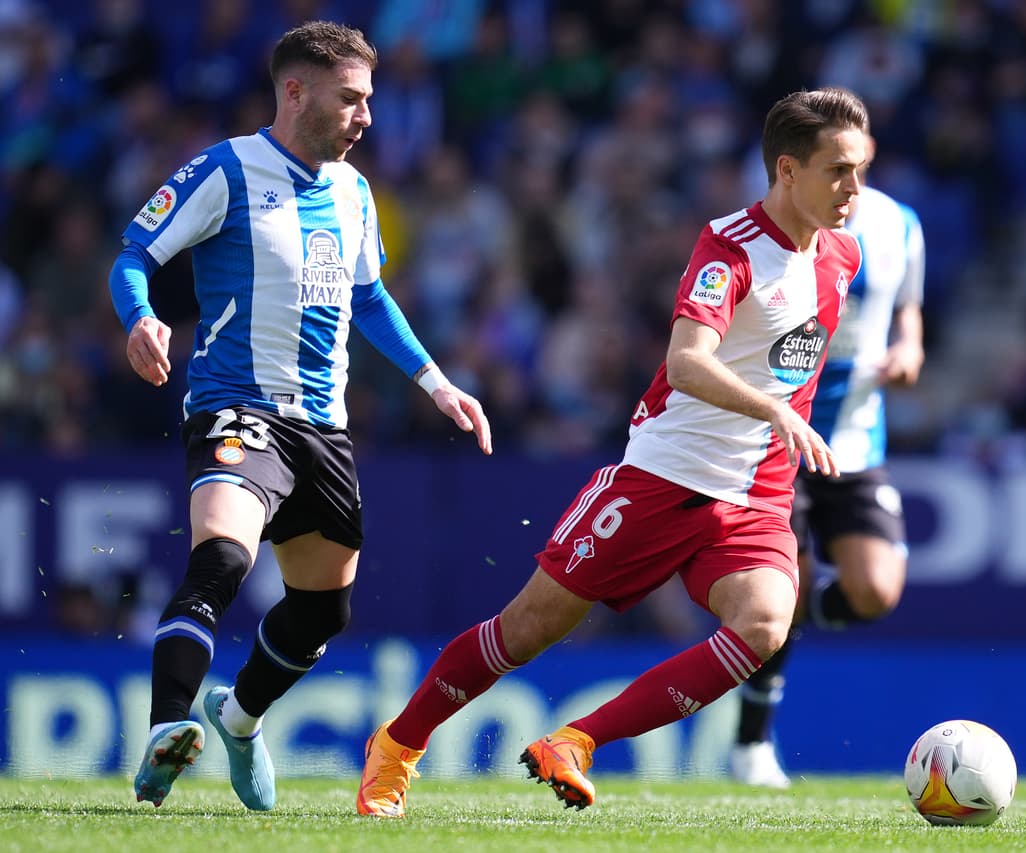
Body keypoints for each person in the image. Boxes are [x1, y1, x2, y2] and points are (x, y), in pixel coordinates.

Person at [356, 87, 870, 818]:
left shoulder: (842, 255)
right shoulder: (730, 247)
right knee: (527, 629)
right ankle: (398, 745)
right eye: (838, 170)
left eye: (860, 169)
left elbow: (792, 362)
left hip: (756, 493)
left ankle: (576, 741)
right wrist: (774, 411)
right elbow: (688, 361)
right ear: (788, 171)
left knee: (764, 624)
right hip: (663, 476)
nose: (854, 188)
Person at [108, 21, 491, 811]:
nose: (366, 117)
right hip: (235, 406)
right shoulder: (226, 170)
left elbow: (367, 298)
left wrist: (436, 382)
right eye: (351, 99)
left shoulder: (353, 192)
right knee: (222, 555)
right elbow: (134, 253)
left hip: (324, 425)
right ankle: (166, 726)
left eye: (369, 101)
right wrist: (141, 316)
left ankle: (239, 718)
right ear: (295, 91)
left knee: (325, 607)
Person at [730, 162, 926, 788]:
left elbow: (910, 316)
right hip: (782, 437)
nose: (849, 176)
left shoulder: (902, 226)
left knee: (875, 593)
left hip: (855, 440)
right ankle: (751, 744)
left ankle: (789, 615)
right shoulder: (784, 223)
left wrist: (909, 351)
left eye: (857, 160)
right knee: (780, 585)